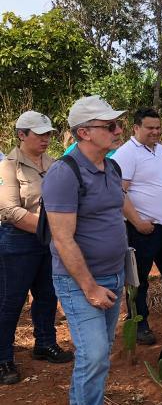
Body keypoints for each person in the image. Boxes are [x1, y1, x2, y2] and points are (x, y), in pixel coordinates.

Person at [42, 95, 128, 405]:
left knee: (99, 354)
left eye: (117, 124)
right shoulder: (65, 173)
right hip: (81, 282)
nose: (118, 129)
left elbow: (115, 212)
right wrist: (90, 287)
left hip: (115, 275)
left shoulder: (112, 166)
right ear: (84, 133)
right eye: (110, 126)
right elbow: (63, 239)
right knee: (94, 357)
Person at [0, 111, 73, 385]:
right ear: (21, 135)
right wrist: (51, 228)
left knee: (47, 294)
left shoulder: (53, 164)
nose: (46, 138)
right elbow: (8, 211)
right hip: (18, 242)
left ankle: (45, 342)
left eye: (48, 133)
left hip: (48, 240)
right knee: (10, 301)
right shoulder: (8, 166)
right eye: (39, 134)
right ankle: (4, 358)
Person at [111, 108, 162, 346]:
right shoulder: (126, 154)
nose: (155, 132)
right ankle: (139, 323)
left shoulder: (161, 151)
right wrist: (137, 222)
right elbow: (119, 191)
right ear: (136, 128)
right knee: (139, 279)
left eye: (158, 128)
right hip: (142, 231)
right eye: (150, 128)